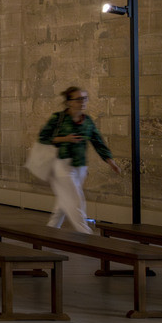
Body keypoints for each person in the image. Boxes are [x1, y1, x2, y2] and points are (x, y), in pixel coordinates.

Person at [38, 85, 120, 232]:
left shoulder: (87, 121)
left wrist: (110, 160)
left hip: (80, 167)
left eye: (85, 99)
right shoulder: (59, 118)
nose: (82, 102)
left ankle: (49, 231)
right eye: (79, 99)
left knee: (63, 202)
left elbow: (97, 141)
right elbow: (43, 137)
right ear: (69, 101)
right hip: (62, 166)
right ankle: (86, 234)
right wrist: (65, 138)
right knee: (76, 201)